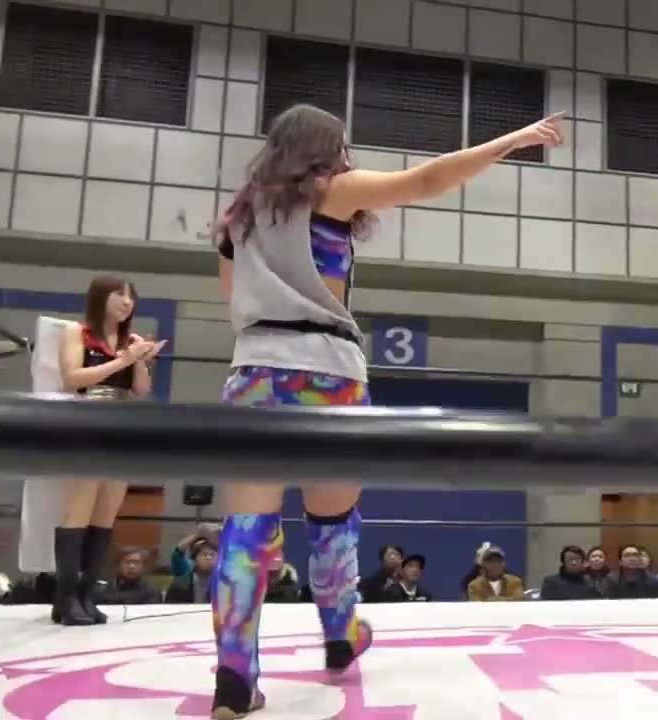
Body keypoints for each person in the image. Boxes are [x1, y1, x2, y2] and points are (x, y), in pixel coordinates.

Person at [209, 102, 563, 718]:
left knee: (246, 531)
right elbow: (426, 179)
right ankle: (340, 634)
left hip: (254, 372)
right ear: (324, 149)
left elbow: (232, 298)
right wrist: (511, 141)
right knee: (332, 521)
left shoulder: (236, 218)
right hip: (327, 372)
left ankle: (234, 679)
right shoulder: (331, 191)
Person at [50, 276, 165, 626]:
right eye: (120, 294)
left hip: (119, 426)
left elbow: (141, 390)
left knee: (105, 517)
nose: (127, 302)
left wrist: (140, 359)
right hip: (84, 424)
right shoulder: (77, 333)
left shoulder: (129, 341)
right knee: (78, 512)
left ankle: (87, 595)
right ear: (100, 297)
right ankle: (66, 598)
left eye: (132, 296)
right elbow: (73, 378)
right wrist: (123, 359)